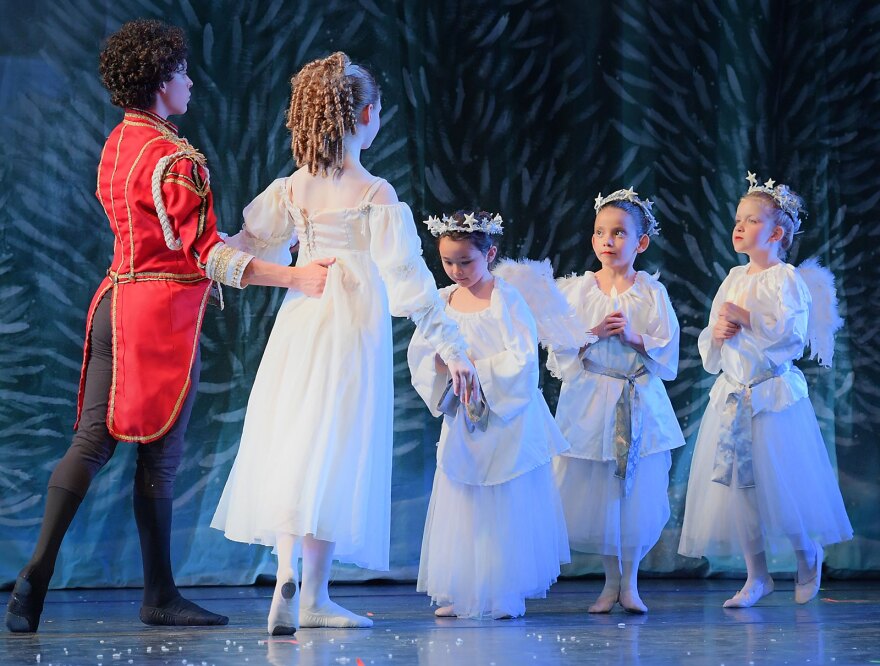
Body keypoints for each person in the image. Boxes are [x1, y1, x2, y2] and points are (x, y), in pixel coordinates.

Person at [4, 18, 334, 634]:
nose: (189, 81)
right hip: (158, 317)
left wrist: (242, 245)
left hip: (114, 300)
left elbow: (170, 240)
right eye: (180, 72)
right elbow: (204, 256)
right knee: (158, 459)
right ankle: (158, 594)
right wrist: (292, 277)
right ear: (160, 81)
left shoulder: (120, 143)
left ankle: (38, 577)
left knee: (91, 441)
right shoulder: (176, 160)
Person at [210, 52, 480, 633]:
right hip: (350, 326)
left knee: (297, 442)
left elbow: (238, 249)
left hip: (302, 320)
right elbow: (411, 285)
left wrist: (214, 267)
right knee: (335, 447)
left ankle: (289, 577)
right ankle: (314, 595)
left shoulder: (291, 189)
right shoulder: (375, 194)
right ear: (364, 114)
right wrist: (453, 348)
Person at [678, 172, 853, 608]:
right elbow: (712, 342)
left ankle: (806, 554)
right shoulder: (734, 277)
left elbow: (792, 337)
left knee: (783, 483)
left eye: (751, 220)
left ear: (776, 233)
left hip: (772, 399)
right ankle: (757, 576)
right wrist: (717, 332)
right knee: (740, 491)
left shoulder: (785, 278)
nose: (739, 227)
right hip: (734, 394)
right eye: (738, 219)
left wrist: (749, 319)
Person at [408, 211, 570, 619]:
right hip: (463, 416)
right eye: (448, 262)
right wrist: (442, 365)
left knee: (505, 502)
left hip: (505, 418)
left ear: (490, 253)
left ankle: (504, 591)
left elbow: (522, 358)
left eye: (466, 261)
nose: (457, 270)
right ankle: (465, 590)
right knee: (465, 502)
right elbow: (422, 353)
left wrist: (477, 368)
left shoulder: (505, 297)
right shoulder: (441, 302)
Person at [547, 188, 685, 614]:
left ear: (640, 242)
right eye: (601, 232)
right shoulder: (576, 290)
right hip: (592, 399)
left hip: (636, 394)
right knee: (605, 492)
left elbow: (668, 350)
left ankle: (632, 583)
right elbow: (558, 350)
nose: (608, 241)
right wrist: (594, 334)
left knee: (635, 492)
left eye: (620, 233)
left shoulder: (650, 293)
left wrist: (632, 336)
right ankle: (610, 582)